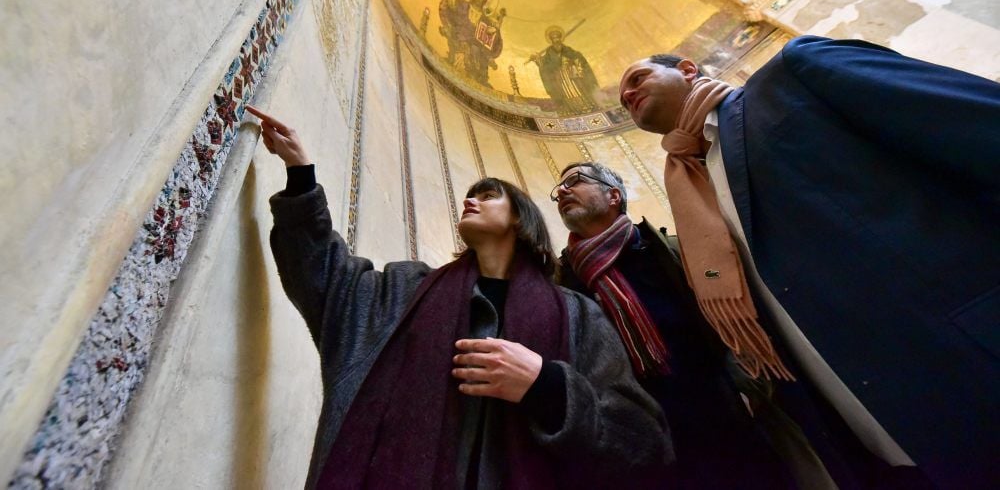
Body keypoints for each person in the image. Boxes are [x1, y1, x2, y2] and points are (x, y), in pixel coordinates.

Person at [618, 35, 1000, 489]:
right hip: (892, 445)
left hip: (973, 364)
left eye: (637, 78)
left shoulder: (790, 78)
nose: (627, 95)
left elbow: (979, 127)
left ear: (685, 68)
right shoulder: (690, 197)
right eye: (623, 100)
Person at [246, 105, 671, 489]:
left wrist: (546, 386)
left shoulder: (578, 314)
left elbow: (642, 442)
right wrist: (301, 174)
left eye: (489, 195)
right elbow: (325, 279)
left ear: (521, 217)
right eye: (470, 193)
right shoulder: (403, 289)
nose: (470, 199)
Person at [552, 161, 800, 488]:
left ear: (613, 195)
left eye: (576, 181)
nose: (563, 192)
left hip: (725, 424)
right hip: (644, 448)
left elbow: (729, 300)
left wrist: (749, 380)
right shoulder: (564, 281)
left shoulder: (666, 250)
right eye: (558, 191)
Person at [527, 26, 599, 113]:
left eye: (557, 37)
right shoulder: (549, 52)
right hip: (560, 77)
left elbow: (576, 56)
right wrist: (537, 59)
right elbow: (545, 64)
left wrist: (570, 60)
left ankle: (587, 105)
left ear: (560, 38)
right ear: (551, 40)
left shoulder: (567, 49)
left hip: (572, 74)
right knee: (567, 92)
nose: (556, 40)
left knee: (580, 88)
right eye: (554, 38)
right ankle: (573, 109)